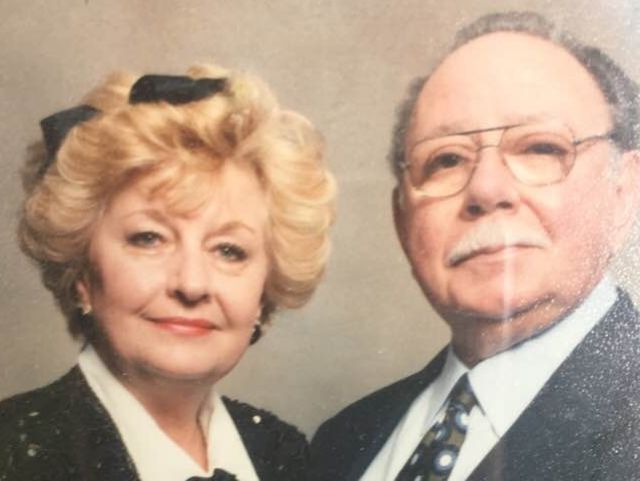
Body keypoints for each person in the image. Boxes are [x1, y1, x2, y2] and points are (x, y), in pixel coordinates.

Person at [311, 11, 640, 481]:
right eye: (446, 159)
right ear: (402, 219)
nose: (486, 190)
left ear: (624, 193)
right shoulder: (341, 441)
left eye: (540, 148)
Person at [0, 63, 335, 481]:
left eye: (229, 250)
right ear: (82, 272)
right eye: (149, 239)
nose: (191, 284)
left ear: (264, 295)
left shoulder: (285, 453)